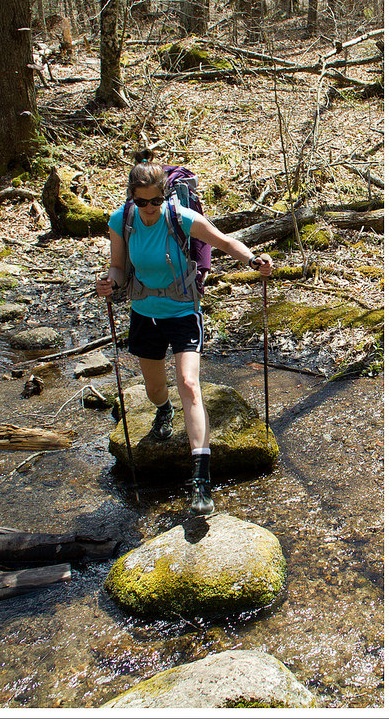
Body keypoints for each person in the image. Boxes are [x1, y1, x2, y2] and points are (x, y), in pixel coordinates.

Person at [96, 149, 273, 516]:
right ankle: (163, 411)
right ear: (132, 197)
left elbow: (225, 242)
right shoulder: (122, 220)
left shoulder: (181, 216)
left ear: (165, 196)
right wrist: (108, 284)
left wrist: (253, 259)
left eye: (156, 200)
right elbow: (117, 267)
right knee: (154, 389)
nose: (149, 207)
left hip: (182, 311)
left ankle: (201, 480)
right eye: (141, 201)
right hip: (144, 313)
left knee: (189, 385)